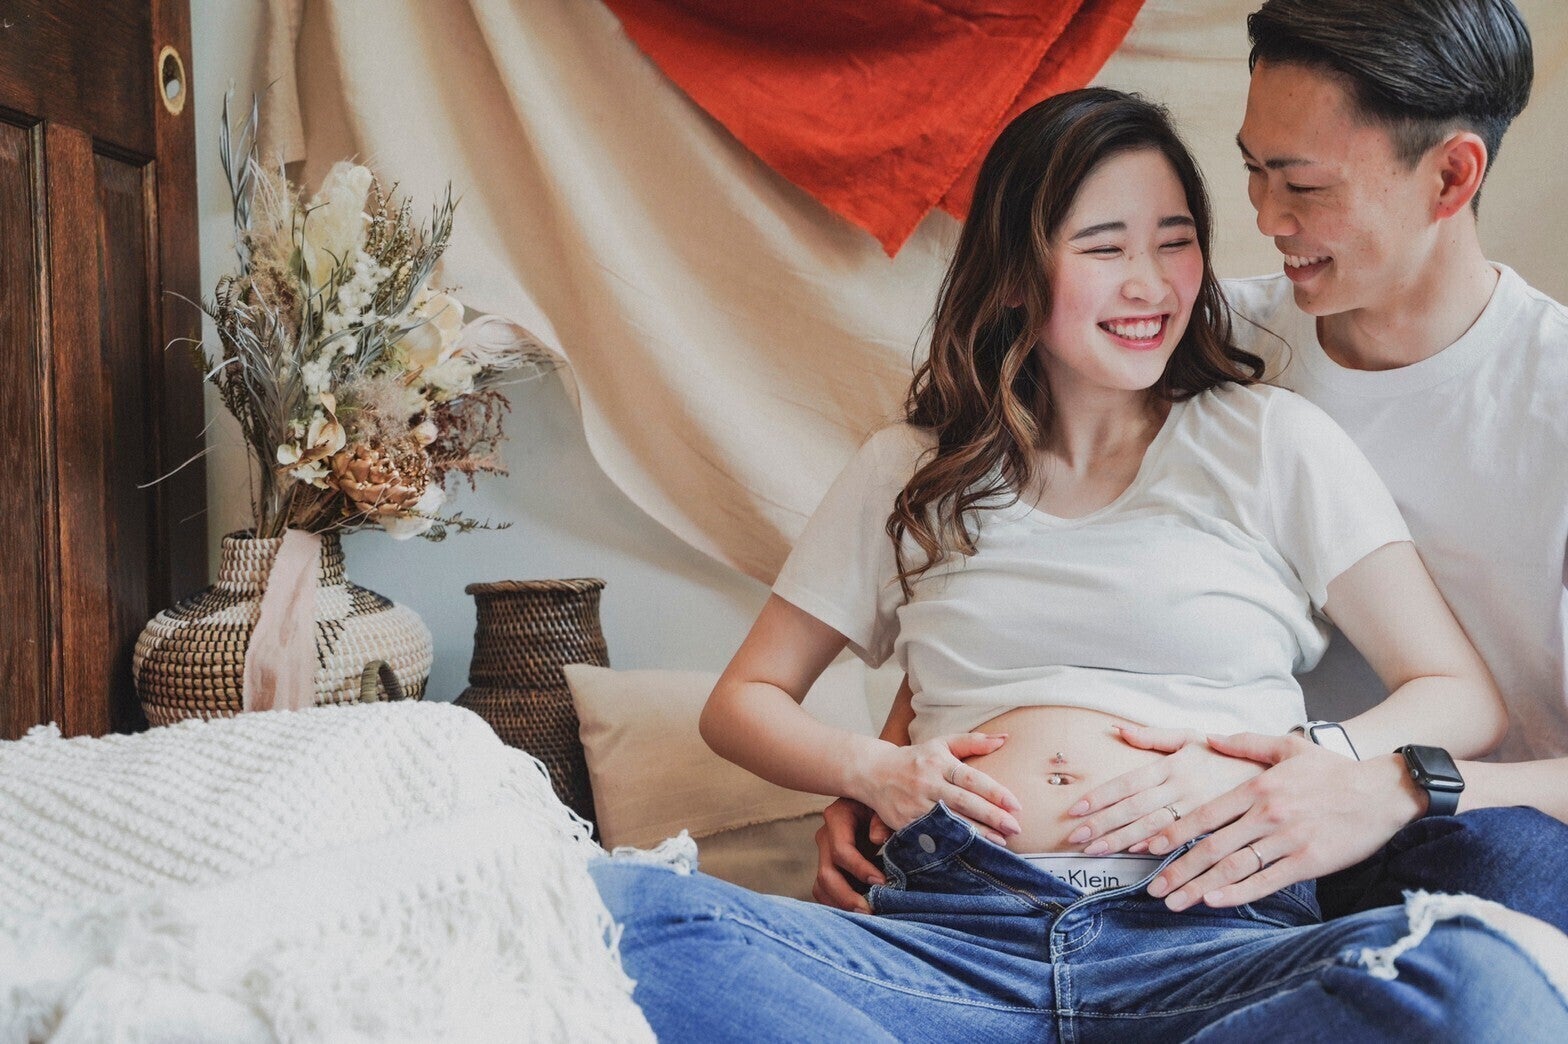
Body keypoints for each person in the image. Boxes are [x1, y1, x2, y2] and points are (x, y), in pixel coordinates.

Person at [589, 87, 1568, 1042]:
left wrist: (1299, 760)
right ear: (1017, 273)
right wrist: (874, 771)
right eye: (1105, 248)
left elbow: (1459, 697)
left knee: (1478, 974)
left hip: (1211, 933)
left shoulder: (1272, 440)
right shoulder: (912, 469)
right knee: (614, 911)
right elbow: (744, 700)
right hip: (951, 939)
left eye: (1175, 241)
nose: (1150, 283)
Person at [817, 0, 1568, 937]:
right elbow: (1019, 570)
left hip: (1432, 822)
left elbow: (1465, 725)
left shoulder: (1548, 396)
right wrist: (887, 770)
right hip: (1188, 843)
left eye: (1303, 184)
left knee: (1518, 870)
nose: (1265, 217)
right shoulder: (1188, 339)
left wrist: (1392, 784)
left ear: (1451, 175)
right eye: (1253, 170)